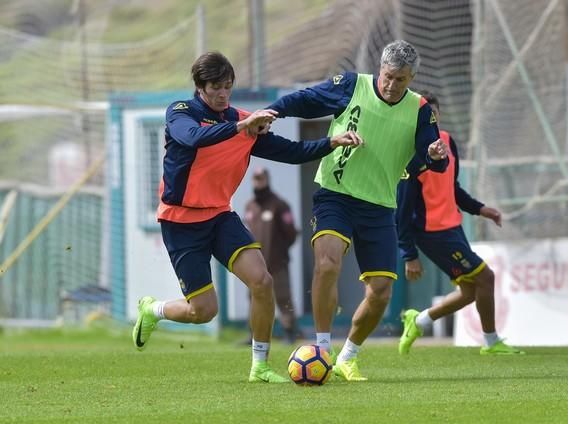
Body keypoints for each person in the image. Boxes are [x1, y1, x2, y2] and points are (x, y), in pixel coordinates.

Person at [131, 51, 363, 384]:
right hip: (181, 221)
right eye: (216, 87)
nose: (223, 94)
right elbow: (193, 138)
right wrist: (241, 126)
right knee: (204, 311)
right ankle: (152, 310)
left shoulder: (242, 121)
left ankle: (260, 366)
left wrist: (332, 142)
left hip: (220, 216)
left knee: (262, 281)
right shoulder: (181, 112)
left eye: (228, 86)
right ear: (200, 86)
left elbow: (292, 152)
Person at [267, 40, 449, 381]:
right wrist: (274, 110)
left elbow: (432, 157)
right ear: (380, 69)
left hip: (380, 206)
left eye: (401, 79)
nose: (392, 84)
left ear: (411, 79)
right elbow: (307, 99)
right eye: (388, 76)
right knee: (328, 262)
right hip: (335, 194)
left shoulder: (421, 110)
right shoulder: (352, 85)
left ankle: (349, 356)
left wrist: (438, 156)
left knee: (380, 291)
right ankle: (322, 348)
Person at [396, 91, 524, 355]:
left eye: (434, 113)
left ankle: (418, 321)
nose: (431, 118)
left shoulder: (448, 143)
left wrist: (480, 209)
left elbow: (452, 189)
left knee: (468, 291)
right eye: (424, 115)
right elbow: (403, 210)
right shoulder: (410, 155)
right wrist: (409, 254)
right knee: (486, 277)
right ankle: (491, 342)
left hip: (453, 227)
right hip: (433, 234)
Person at [244, 167, 301, 344]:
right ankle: (253, 335)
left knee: (284, 298)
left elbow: (291, 233)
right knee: (254, 298)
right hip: (255, 264)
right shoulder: (250, 206)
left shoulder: (279, 205)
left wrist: (279, 253)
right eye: (255, 179)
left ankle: (290, 332)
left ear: (267, 179)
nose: (258, 182)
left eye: (261, 178)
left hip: (277, 263)